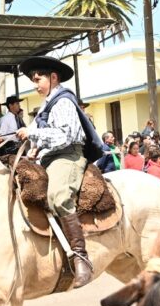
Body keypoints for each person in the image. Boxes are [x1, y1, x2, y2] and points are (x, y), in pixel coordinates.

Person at [15, 55, 104, 289]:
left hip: (68, 155)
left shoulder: (63, 101)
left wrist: (32, 133)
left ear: (53, 77)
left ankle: (81, 258)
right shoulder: (46, 105)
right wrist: (34, 149)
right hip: (49, 157)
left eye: (38, 79)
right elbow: (46, 136)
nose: (35, 85)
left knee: (58, 196)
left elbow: (66, 135)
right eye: (33, 80)